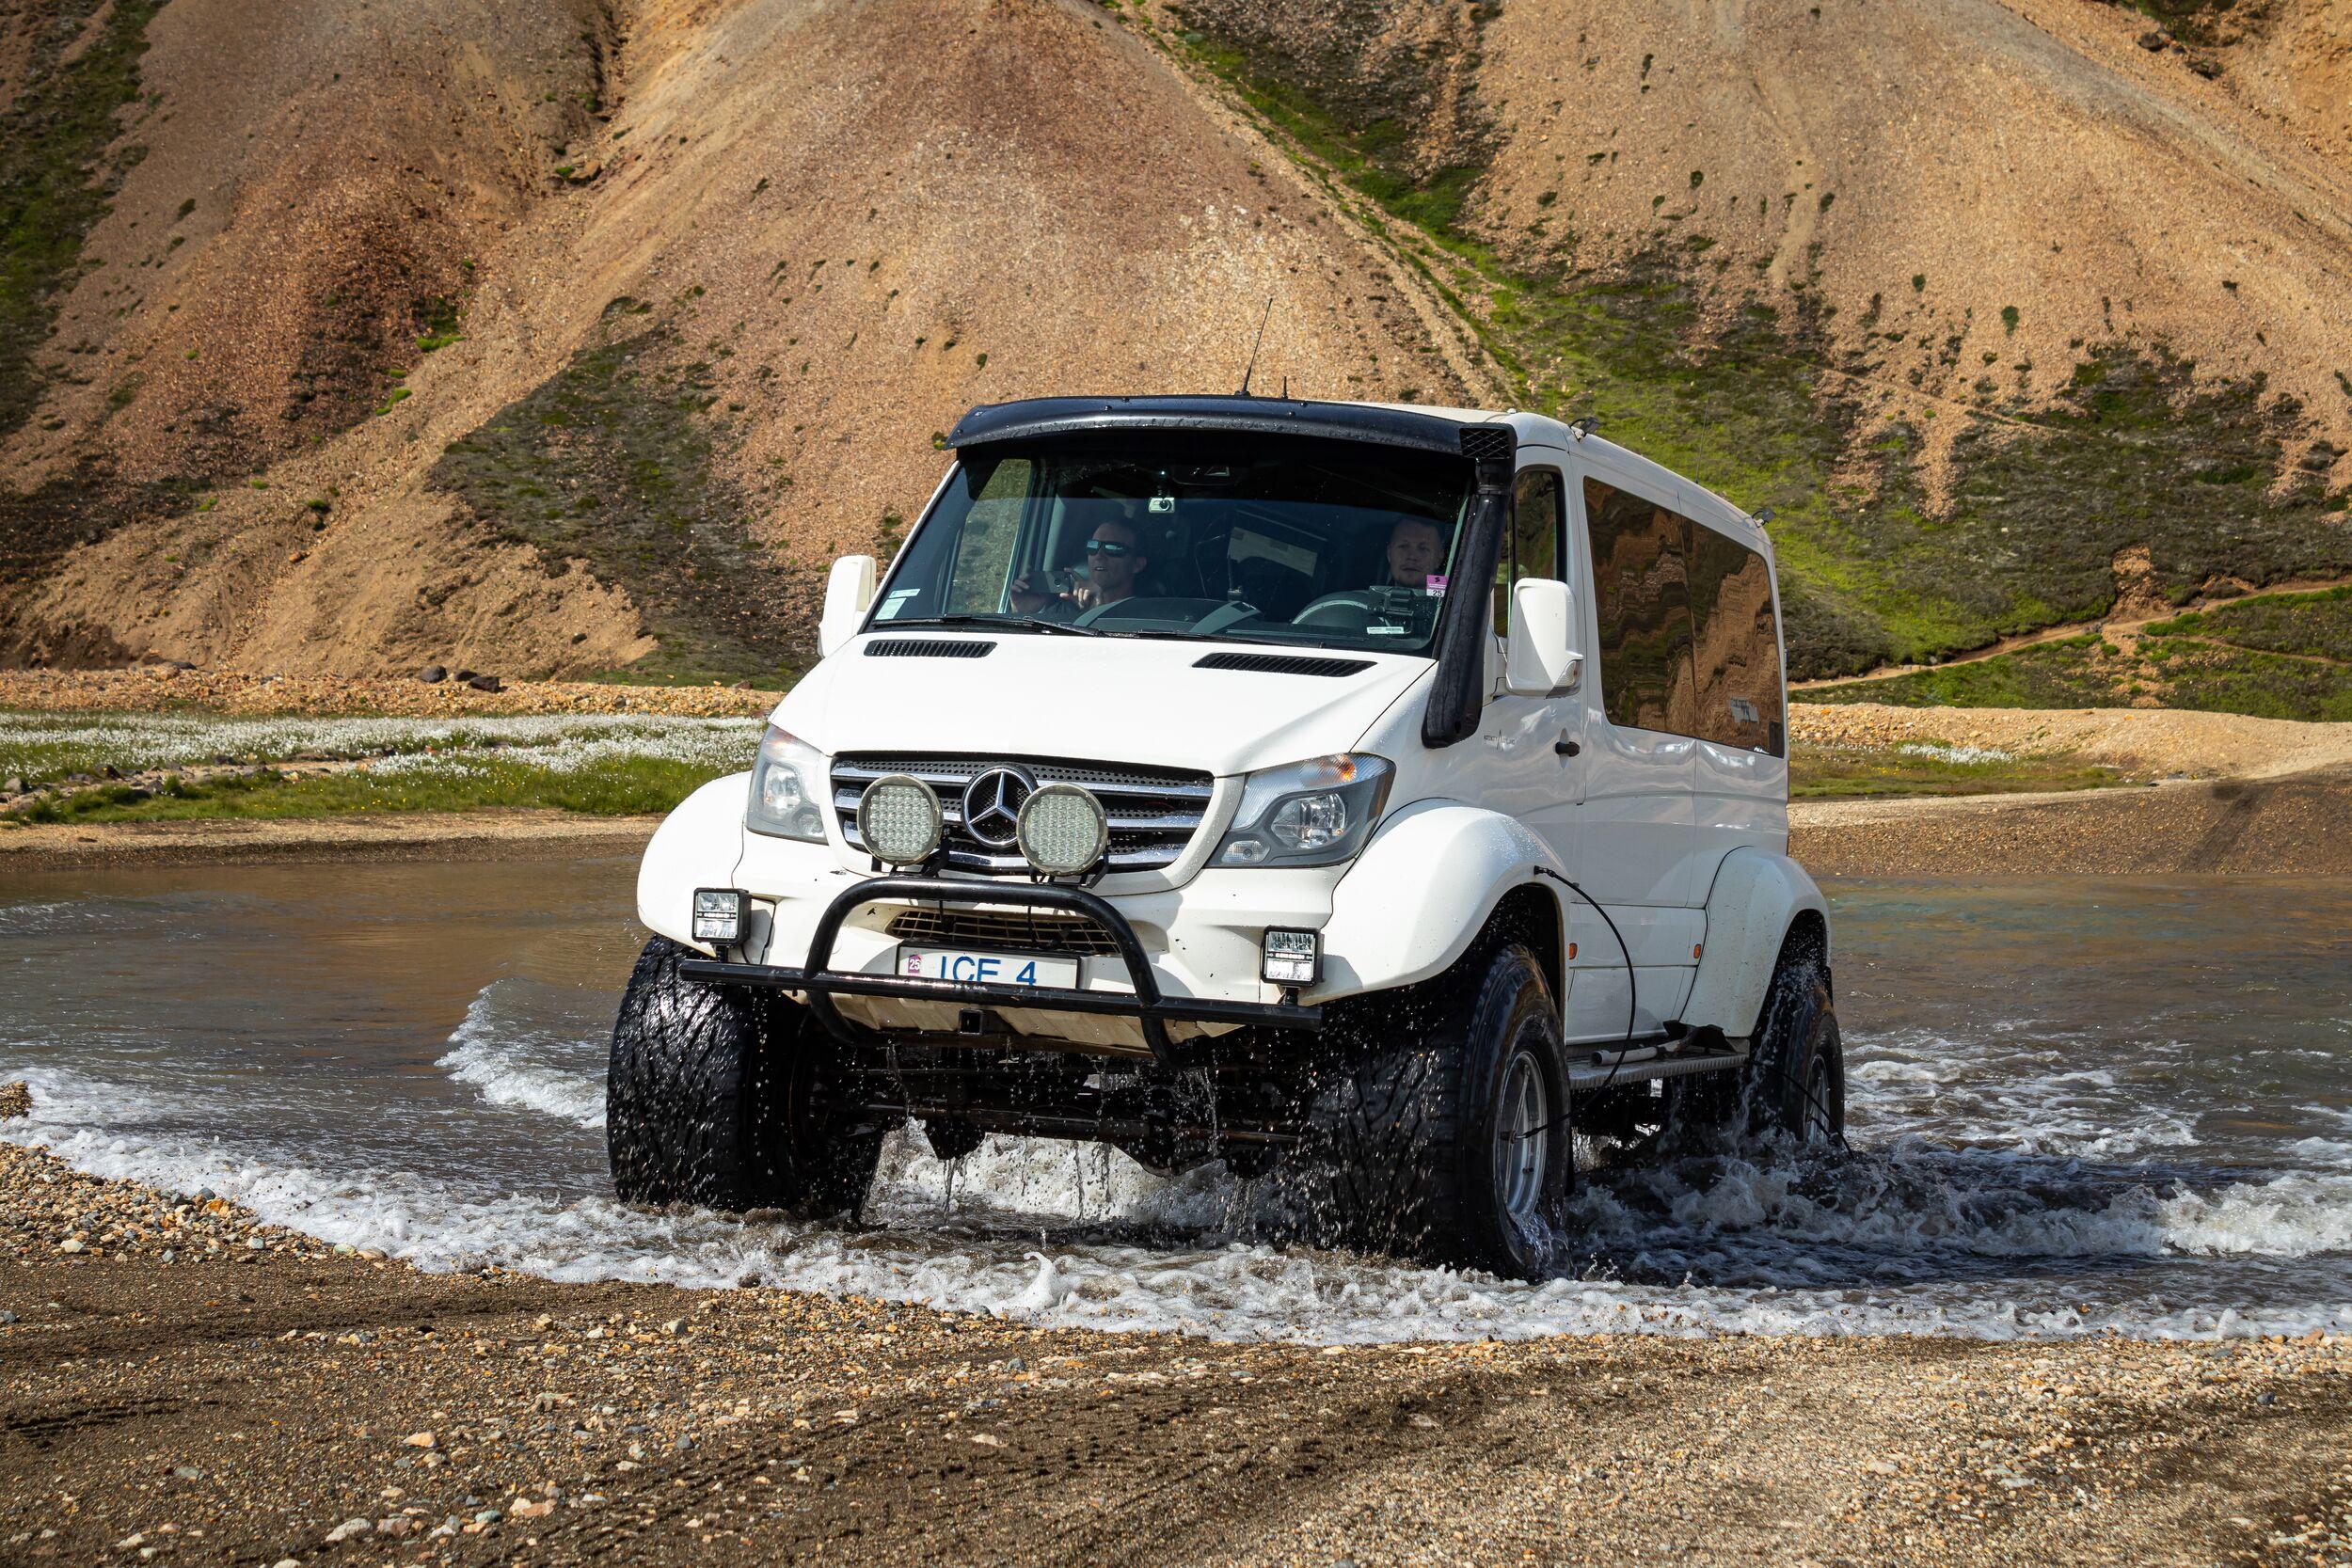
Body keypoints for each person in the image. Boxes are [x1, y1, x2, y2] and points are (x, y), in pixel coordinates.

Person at [1009, 513, 1151, 617]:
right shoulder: (1066, 610)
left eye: (1112, 548)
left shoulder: (1146, 614)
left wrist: (1098, 611)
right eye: (1093, 547)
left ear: (1137, 564)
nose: (1099, 555)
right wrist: (1022, 612)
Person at [1381, 515, 1446, 591]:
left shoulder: (1455, 596)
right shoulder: (1367, 599)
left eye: (1423, 549)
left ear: (1439, 558)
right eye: (1403, 546)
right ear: (1389, 553)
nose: (1412, 557)